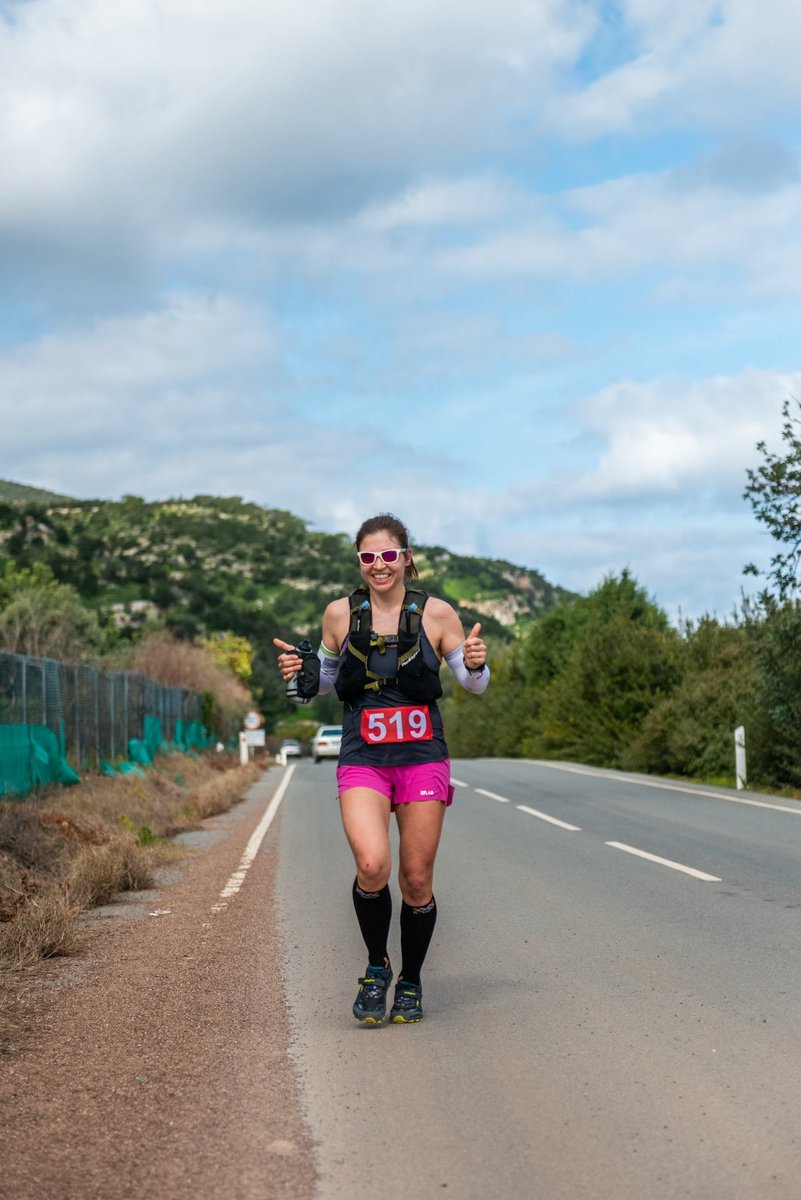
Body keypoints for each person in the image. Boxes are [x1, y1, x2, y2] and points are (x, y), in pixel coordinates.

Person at [273, 513, 489, 1025]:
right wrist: (299, 675)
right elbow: (322, 683)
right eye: (368, 557)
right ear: (359, 562)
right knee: (372, 866)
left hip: (422, 759)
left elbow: (473, 684)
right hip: (363, 756)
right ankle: (377, 969)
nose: (378, 566)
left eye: (388, 556)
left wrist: (477, 662)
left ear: (406, 558)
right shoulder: (338, 615)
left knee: (416, 878)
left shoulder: (437, 615)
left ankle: (410, 982)